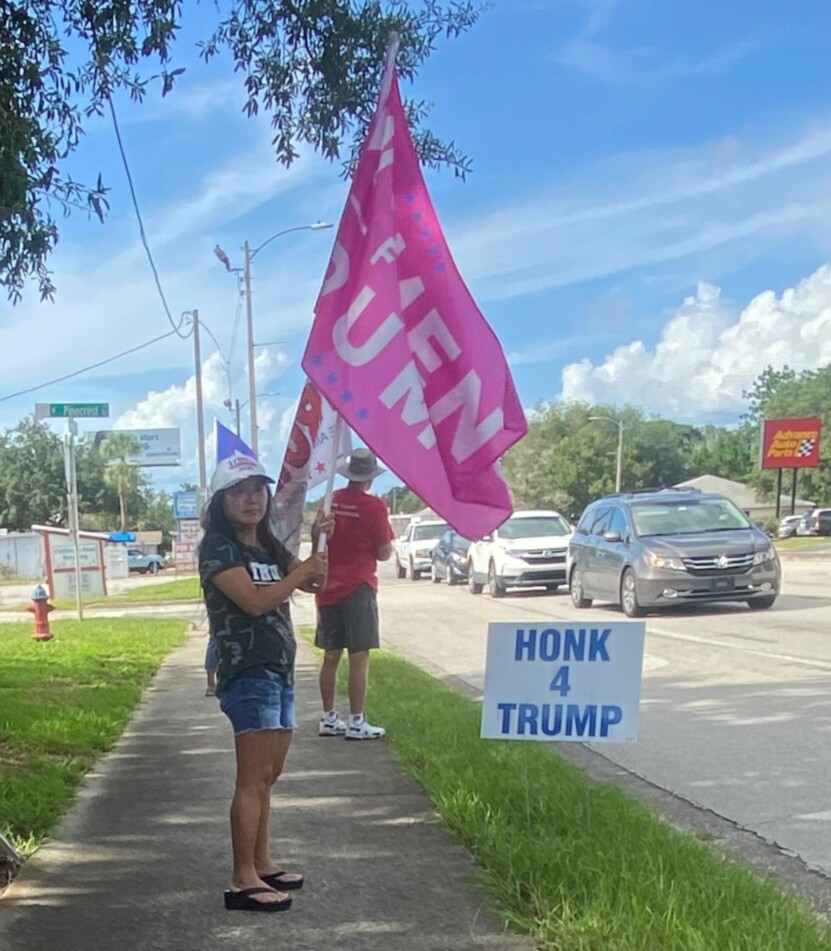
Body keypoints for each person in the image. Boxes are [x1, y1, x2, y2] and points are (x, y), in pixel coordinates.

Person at [199, 452, 332, 913]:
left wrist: (318, 544)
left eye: (258, 489)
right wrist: (298, 574)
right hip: (248, 671)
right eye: (239, 491)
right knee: (252, 779)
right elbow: (255, 602)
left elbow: (314, 583)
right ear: (221, 500)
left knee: (269, 776)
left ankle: (261, 861)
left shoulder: (269, 547)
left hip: (279, 672)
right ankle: (242, 879)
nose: (251, 499)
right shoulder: (218, 548)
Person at [315, 447, 394, 740]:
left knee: (331, 655)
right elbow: (384, 552)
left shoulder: (330, 501)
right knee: (359, 656)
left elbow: (318, 537)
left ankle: (328, 716)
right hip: (359, 586)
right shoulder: (375, 507)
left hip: (327, 586)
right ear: (370, 478)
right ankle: (357, 720)